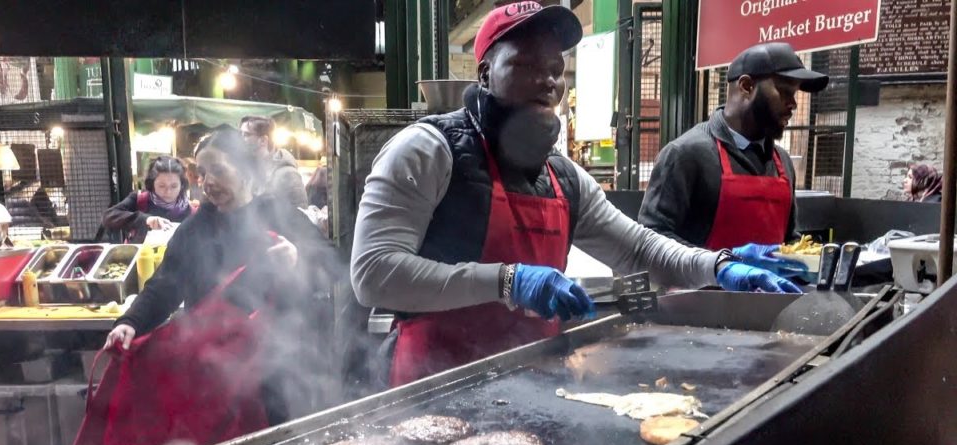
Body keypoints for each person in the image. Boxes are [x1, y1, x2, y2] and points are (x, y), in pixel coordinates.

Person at [350, 2, 801, 388]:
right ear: (485, 72)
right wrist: (508, 281)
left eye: (555, 70)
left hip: (531, 381)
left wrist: (718, 266)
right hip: (434, 385)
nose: (548, 81)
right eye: (526, 66)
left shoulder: (564, 176)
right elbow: (372, 273)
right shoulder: (428, 150)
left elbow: (638, 248)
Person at [104, 128, 339, 421]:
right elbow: (165, 286)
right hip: (215, 372)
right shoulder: (194, 229)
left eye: (217, 169)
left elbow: (332, 263)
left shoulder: (279, 213)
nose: (207, 182)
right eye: (202, 173)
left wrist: (297, 256)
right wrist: (130, 322)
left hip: (278, 371)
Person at [638, 42, 828, 276]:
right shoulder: (686, 154)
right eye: (784, 91)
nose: (793, 105)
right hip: (698, 306)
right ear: (747, 86)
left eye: (795, 94)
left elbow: (789, 239)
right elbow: (652, 241)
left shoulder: (782, 163)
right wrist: (723, 266)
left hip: (772, 303)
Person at [101, 156, 194, 243]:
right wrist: (145, 219)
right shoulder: (140, 199)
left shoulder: (191, 210)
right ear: (152, 183)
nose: (168, 192)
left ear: (182, 185)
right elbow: (108, 216)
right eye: (162, 186)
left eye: (174, 186)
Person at [240, 116, 308, 209]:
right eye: (241, 134)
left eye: (246, 135)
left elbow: (301, 215)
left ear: (263, 140)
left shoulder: (288, 174)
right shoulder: (249, 170)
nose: (241, 139)